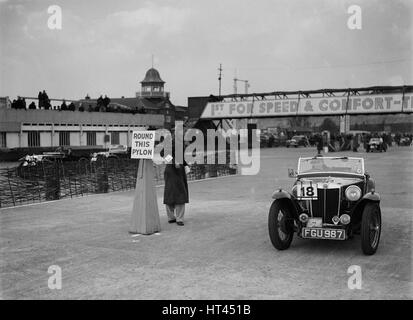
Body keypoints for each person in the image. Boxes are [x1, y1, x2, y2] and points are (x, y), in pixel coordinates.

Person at [162, 131, 190, 226]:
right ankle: (178, 218)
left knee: (171, 192)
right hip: (173, 171)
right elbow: (163, 154)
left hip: (176, 171)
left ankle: (172, 218)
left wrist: (186, 165)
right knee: (179, 193)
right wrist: (174, 162)